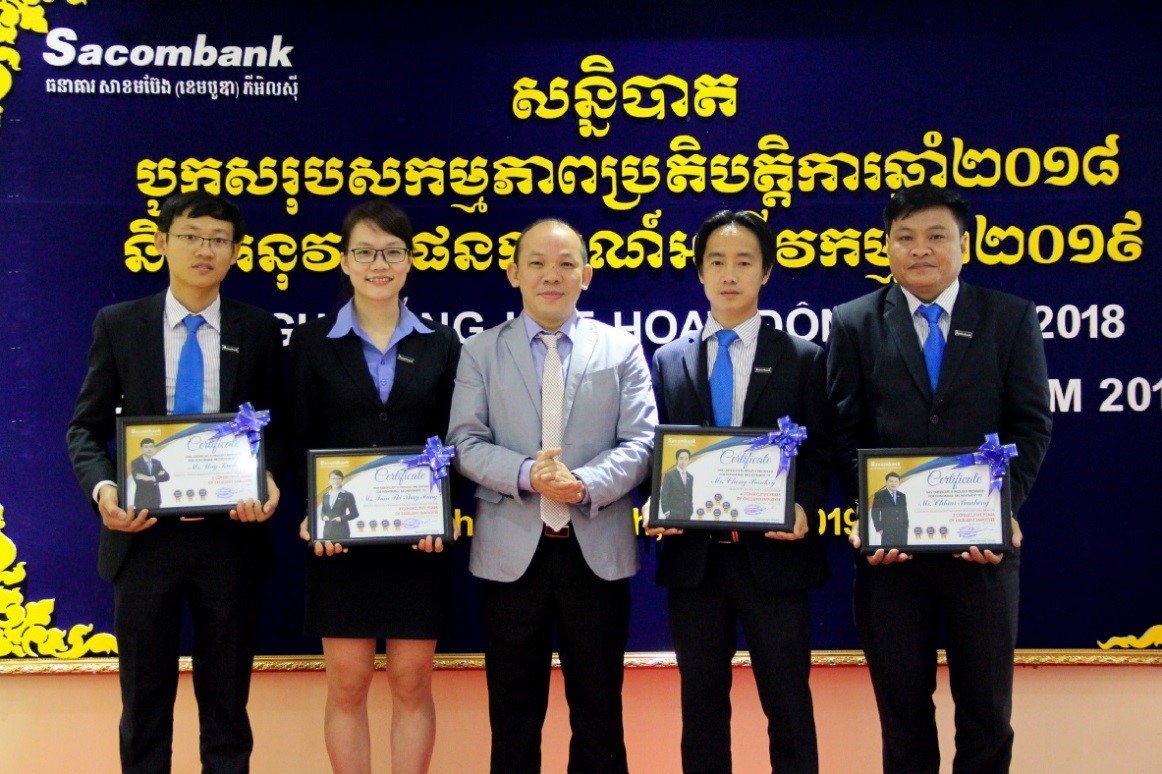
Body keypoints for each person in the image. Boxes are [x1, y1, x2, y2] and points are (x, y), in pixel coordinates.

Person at [826, 183, 1052, 772]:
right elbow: (842, 434)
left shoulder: (1008, 317)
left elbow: (1031, 426)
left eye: (935, 236)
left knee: (986, 716)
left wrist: (1003, 510)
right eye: (905, 237)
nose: (920, 249)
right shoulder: (853, 323)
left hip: (982, 558)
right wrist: (870, 514)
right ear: (887, 247)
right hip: (891, 561)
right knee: (903, 718)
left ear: (964, 245)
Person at [66, 190, 283, 773]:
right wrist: (104, 490)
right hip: (142, 540)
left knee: (227, 708)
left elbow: (278, 428)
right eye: (190, 236)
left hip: (230, 541)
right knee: (143, 705)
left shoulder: (258, 330)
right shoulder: (119, 324)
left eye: (217, 240)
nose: (204, 250)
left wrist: (271, 481)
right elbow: (85, 429)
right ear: (161, 242)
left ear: (236, 252)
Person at [447, 218, 657, 774]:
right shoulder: (480, 351)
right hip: (512, 555)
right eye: (537, 263)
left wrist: (585, 484)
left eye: (566, 264)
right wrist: (525, 474)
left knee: (599, 711)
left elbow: (641, 442)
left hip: (596, 551)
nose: (551, 275)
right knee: (513, 715)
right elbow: (463, 443)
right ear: (514, 272)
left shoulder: (620, 348)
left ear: (586, 275)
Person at [646, 210, 829, 773]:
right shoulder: (669, 360)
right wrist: (657, 501)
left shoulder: (803, 358)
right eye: (717, 262)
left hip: (774, 560)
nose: (730, 274)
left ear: (767, 272)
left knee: (789, 706)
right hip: (696, 564)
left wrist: (803, 504)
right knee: (701, 709)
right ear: (699, 273)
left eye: (744, 261)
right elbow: (654, 452)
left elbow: (821, 453)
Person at [288, 199, 460, 774]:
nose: (377, 264)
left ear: (410, 263)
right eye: (364, 252)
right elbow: (294, 438)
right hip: (340, 544)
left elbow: (457, 442)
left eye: (391, 252)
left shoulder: (441, 345)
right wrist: (314, 512)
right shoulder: (311, 345)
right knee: (348, 685)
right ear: (344, 261)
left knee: (412, 683)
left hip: (419, 544)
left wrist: (448, 514)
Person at [129, 438, 170, 510]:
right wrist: (157, 478)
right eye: (146, 447)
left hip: (156, 500)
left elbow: (166, 477)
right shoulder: (135, 463)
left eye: (151, 446)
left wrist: (149, 478)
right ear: (141, 448)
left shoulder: (157, 462)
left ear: (154, 448)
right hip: (142, 500)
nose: (149, 449)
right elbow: (139, 481)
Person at [318, 469, 359, 542]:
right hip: (327, 531)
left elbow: (355, 514)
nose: (335, 480)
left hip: (342, 531)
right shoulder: (325, 495)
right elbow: (323, 511)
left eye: (338, 478)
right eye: (333, 478)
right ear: (329, 480)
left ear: (342, 480)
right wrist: (323, 516)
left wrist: (341, 518)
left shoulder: (348, 495)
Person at [869, 472, 909, 547]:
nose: (893, 483)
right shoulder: (880, 495)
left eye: (896, 481)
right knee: (888, 553)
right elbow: (875, 513)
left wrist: (905, 526)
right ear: (886, 482)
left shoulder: (902, 495)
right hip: (887, 532)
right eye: (891, 481)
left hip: (902, 532)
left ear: (899, 483)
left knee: (903, 552)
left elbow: (904, 512)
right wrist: (879, 529)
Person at [658, 448, 695, 522]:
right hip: (673, 513)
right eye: (681, 458)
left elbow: (688, 494)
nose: (683, 461)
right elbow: (664, 494)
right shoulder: (670, 475)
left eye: (686, 459)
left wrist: (690, 509)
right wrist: (666, 511)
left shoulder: (690, 477)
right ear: (677, 459)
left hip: (687, 513)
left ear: (689, 461)